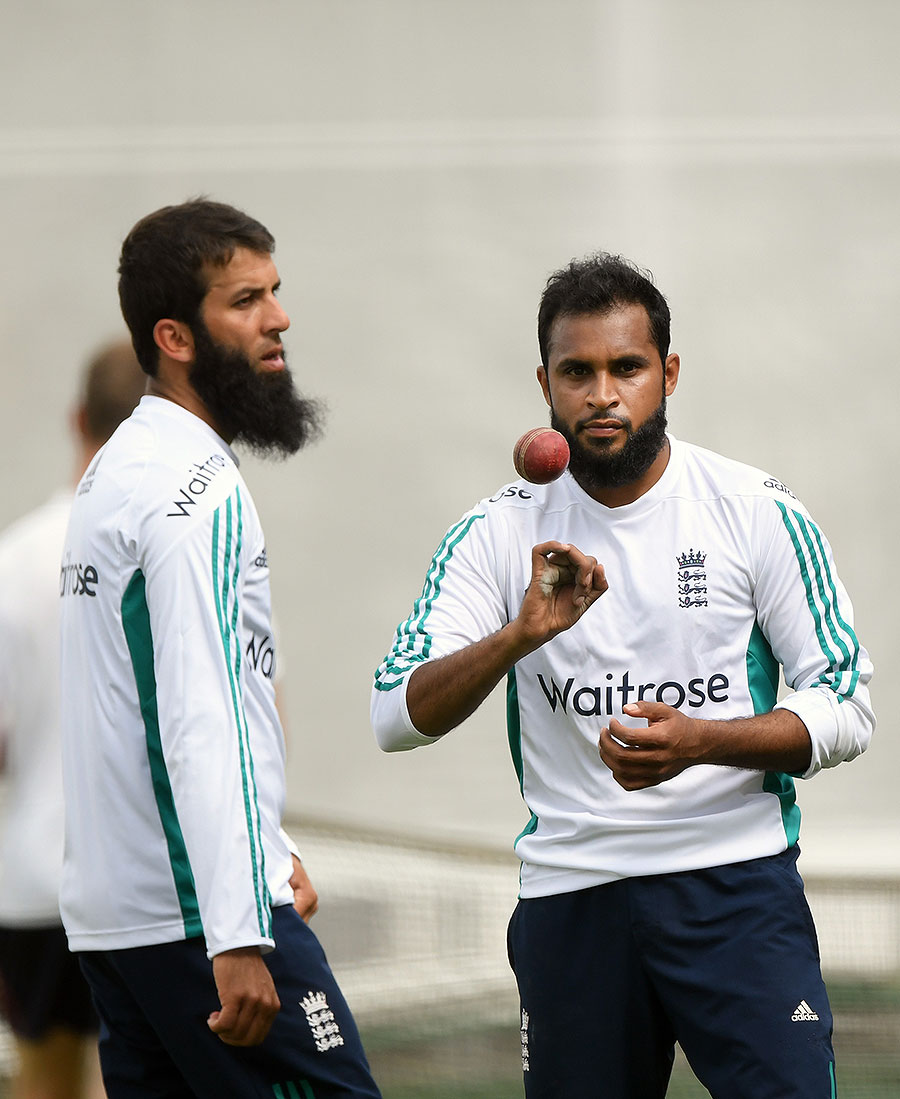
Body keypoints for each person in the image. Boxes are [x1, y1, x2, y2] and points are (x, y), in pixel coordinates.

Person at [371, 253, 875, 1099]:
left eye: (626, 367)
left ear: (667, 373)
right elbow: (395, 714)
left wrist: (702, 743)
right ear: (545, 383)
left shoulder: (754, 510)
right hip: (575, 896)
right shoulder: (495, 533)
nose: (602, 394)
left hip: (736, 890)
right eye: (578, 371)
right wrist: (519, 633)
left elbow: (847, 707)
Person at [59, 199, 381, 1099]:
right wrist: (240, 924)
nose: (279, 319)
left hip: (122, 920)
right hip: (198, 920)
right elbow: (196, 715)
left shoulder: (121, 469)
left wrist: (264, 846)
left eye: (274, 292)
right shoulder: (193, 488)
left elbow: (146, 705)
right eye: (246, 301)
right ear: (177, 335)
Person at [0, 338, 146, 1099]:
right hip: (155, 882)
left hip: (37, 880)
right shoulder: (189, 542)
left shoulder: (13, 558)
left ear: (75, 419)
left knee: (49, 1086)